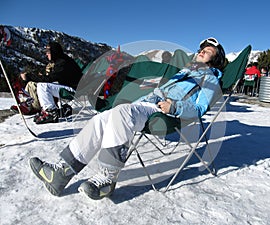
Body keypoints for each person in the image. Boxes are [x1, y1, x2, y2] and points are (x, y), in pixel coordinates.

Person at [29, 37, 226, 200]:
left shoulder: (210, 79)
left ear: (215, 60)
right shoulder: (187, 71)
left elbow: (200, 108)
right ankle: (62, 172)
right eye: (202, 49)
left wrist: (174, 106)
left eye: (208, 51)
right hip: (151, 104)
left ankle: (107, 178)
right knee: (102, 118)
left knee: (122, 113)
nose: (202, 51)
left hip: (167, 112)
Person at [20, 41, 82, 124]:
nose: (46, 55)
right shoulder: (62, 61)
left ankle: (51, 112)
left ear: (54, 52)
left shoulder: (62, 63)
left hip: (73, 90)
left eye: (48, 52)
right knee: (40, 84)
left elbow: (49, 79)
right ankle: (35, 106)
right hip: (71, 87)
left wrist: (29, 77)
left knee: (43, 86)